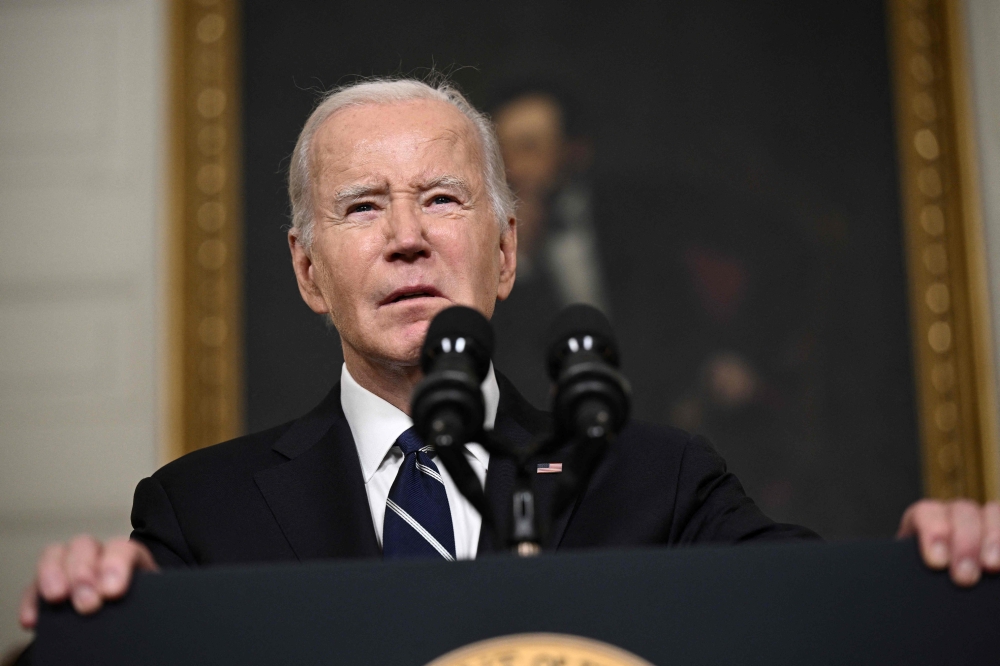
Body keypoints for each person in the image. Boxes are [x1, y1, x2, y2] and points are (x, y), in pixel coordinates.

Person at [17, 78, 1000, 635]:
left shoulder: (659, 483)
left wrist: (933, 569)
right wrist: (109, 611)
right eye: (363, 206)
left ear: (508, 251)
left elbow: (821, 625)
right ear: (309, 272)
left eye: (442, 198)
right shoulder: (197, 514)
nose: (406, 236)